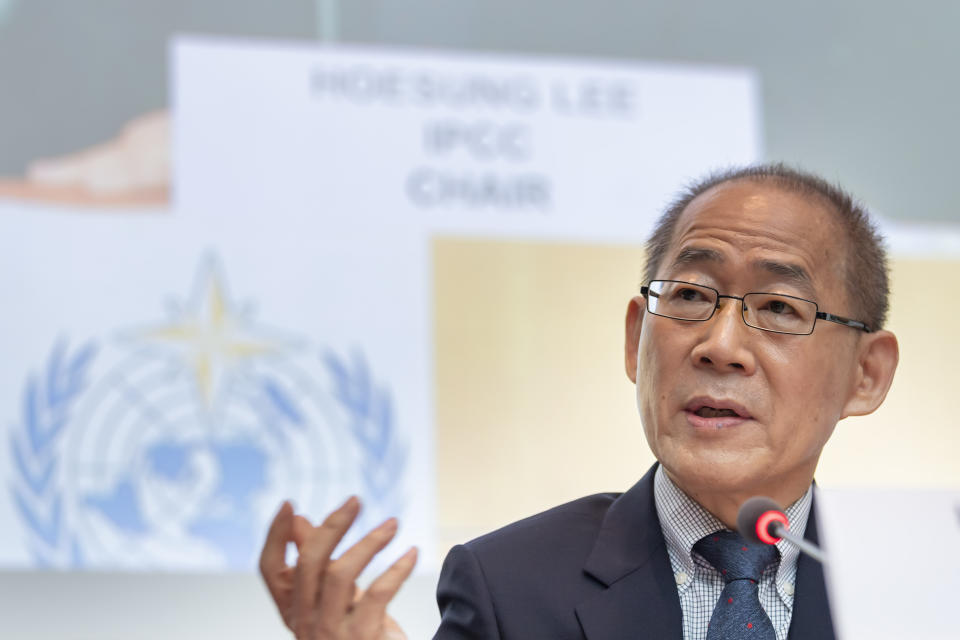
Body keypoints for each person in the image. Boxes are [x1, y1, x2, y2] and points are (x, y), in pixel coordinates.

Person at [257, 163, 899, 639]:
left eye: (779, 308)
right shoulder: (507, 588)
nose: (720, 345)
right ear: (635, 339)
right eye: (690, 296)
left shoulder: (917, 586)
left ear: (866, 375)